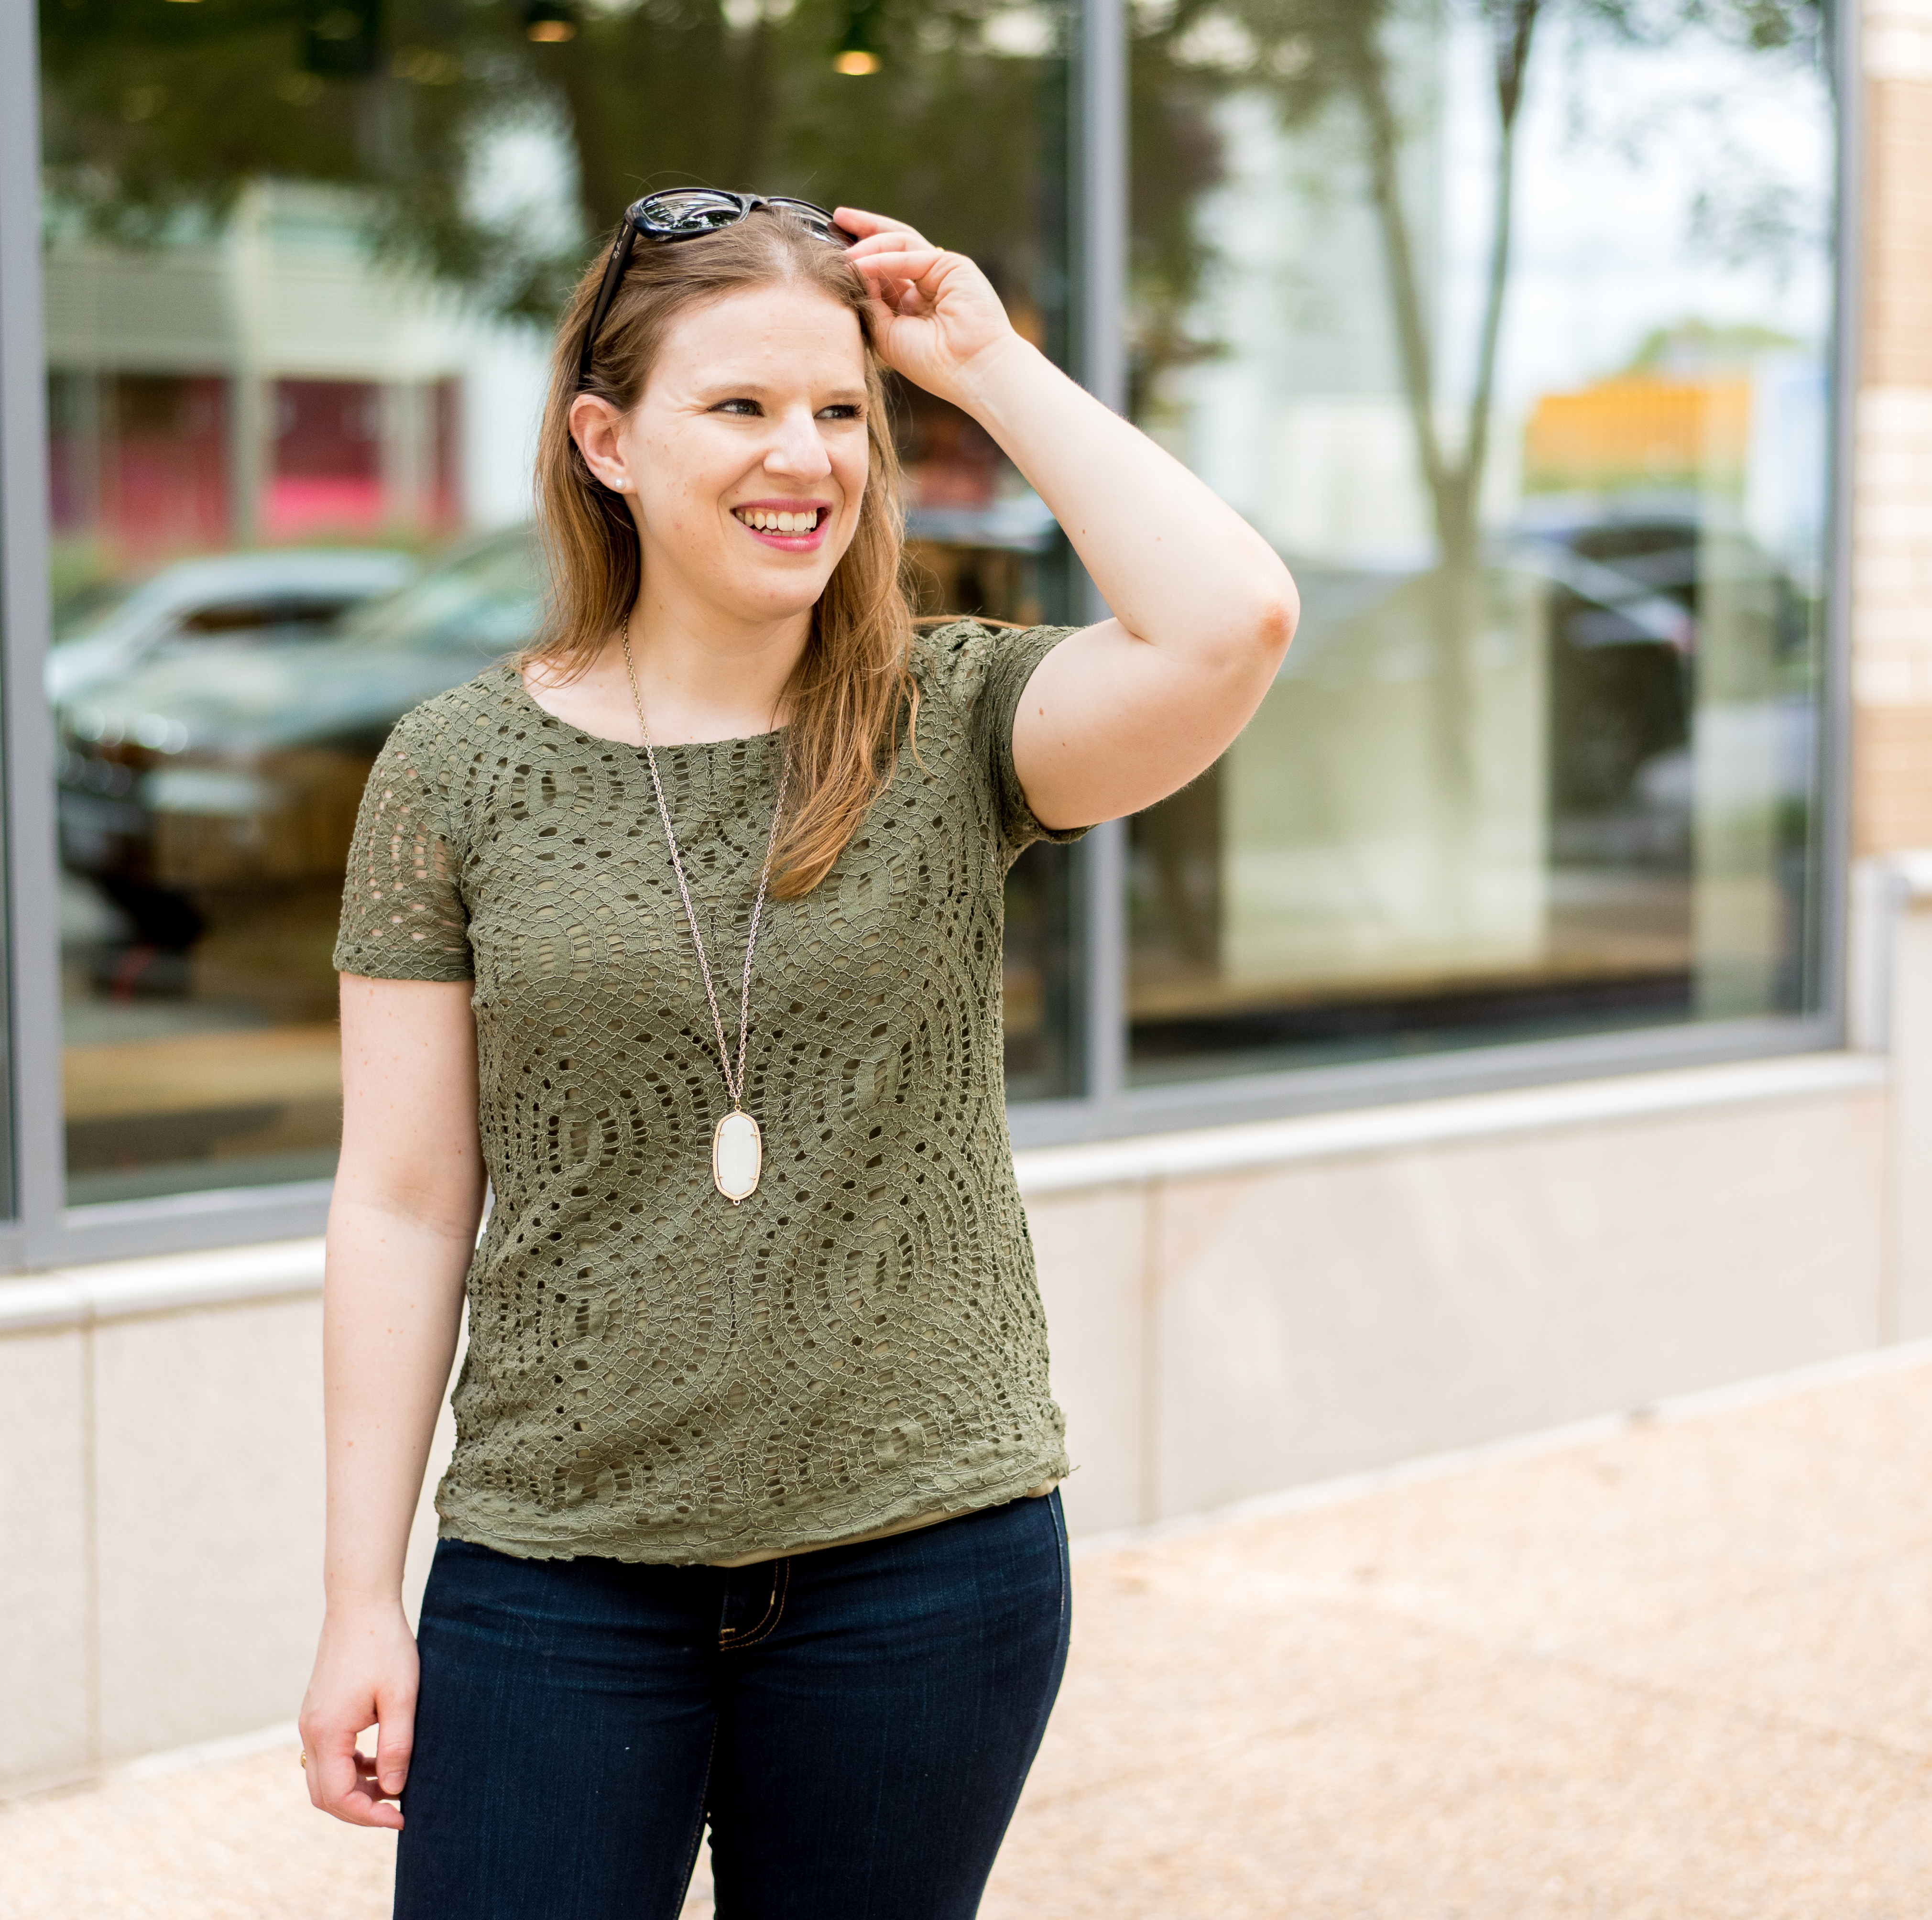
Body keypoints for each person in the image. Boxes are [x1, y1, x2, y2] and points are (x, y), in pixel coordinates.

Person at [297, 190, 1298, 1920]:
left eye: (842, 410)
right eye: (744, 407)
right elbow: (398, 1202)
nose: (807, 457)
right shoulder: (453, 772)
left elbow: (1231, 622)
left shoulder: (953, 718)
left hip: (925, 1568)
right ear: (605, 441)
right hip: (557, 1570)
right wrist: (358, 1600)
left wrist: (985, 365)